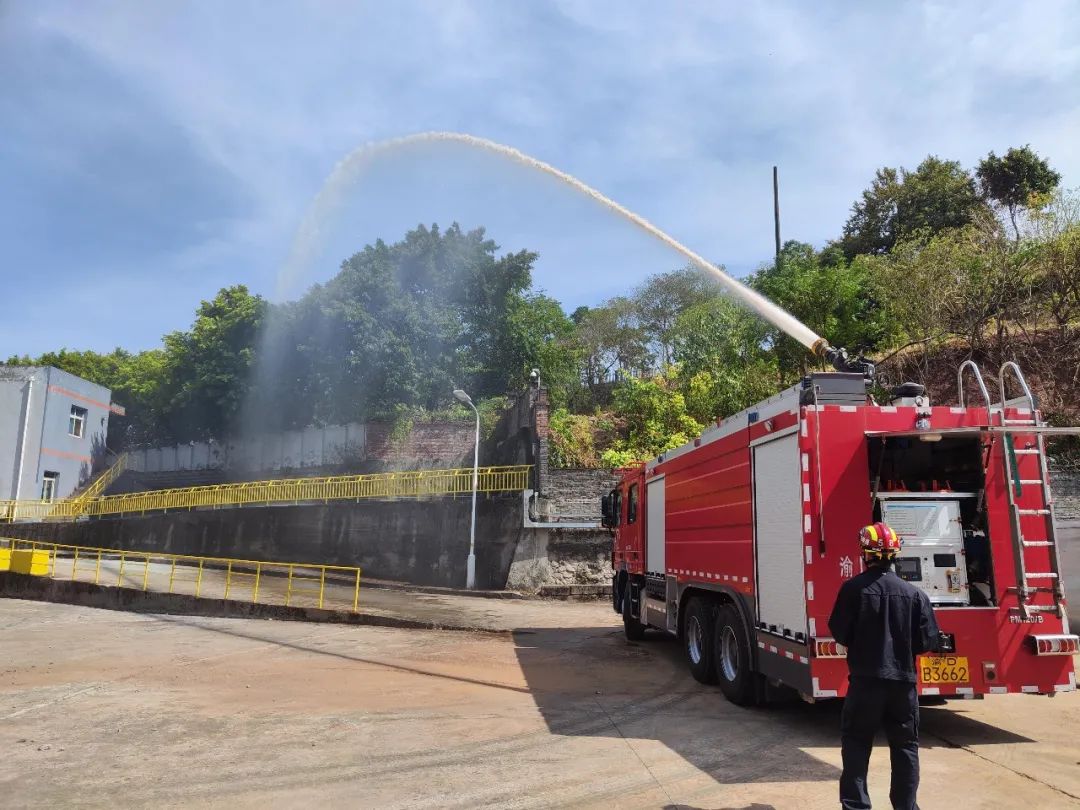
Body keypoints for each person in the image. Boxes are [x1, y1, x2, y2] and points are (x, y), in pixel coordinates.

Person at [828, 522, 940, 810]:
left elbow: (839, 632)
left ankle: (856, 806)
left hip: (865, 682)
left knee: (856, 743)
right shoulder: (915, 595)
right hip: (903, 684)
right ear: (895, 554)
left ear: (865, 553)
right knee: (905, 747)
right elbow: (928, 640)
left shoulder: (852, 590)